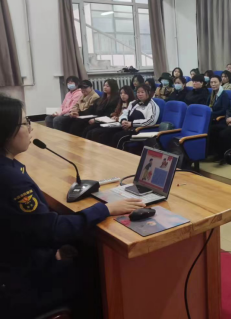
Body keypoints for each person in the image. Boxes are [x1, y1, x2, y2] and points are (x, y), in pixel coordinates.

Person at [0, 95, 146, 319]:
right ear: (6, 131)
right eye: (25, 122)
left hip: (15, 263)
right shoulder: (12, 180)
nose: (31, 128)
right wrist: (105, 209)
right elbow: (53, 230)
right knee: (99, 268)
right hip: (23, 283)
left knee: (82, 248)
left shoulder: (10, 168)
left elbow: (29, 227)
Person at [107, 84, 160, 149]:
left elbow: (151, 121)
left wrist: (132, 124)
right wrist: (123, 120)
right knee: (108, 132)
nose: (140, 94)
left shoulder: (152, 105)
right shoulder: (133, 103)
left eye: (142, 92)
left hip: (139, 130)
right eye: (138, 92)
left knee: (118, 137)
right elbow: (125, 113)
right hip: (127, 127)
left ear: (148, 93)